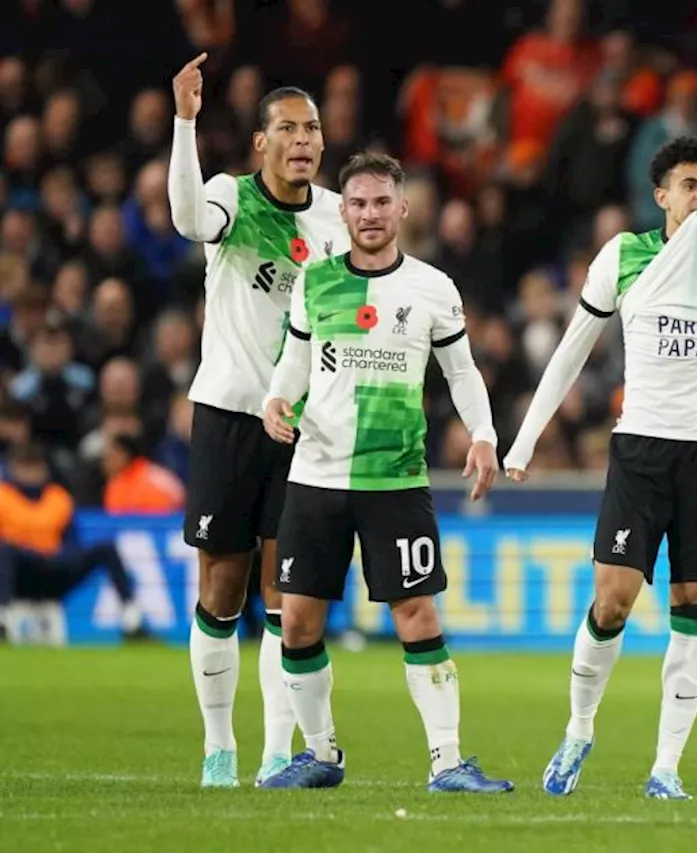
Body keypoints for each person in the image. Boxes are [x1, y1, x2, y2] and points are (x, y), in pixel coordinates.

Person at [503, 135, 697, 800]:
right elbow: (571, 354)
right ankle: (580, 729)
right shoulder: (624, 256)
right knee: (612, 600)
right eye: (690, 184)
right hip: (638, 451)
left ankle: (666, 767)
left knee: (694, 606)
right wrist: (523, 442)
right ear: (660, 194)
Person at [258, 151, 513, 794]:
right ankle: (320, 754)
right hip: (315, 476)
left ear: (403, 208)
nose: (369, 213)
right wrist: (274, 400)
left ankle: (448, 762)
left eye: (381, 202)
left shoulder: (432, 287)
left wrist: (483, 435)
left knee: (417, 617)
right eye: (358, 203)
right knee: (297, 622)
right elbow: (293, 364)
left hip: (395, 480)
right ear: (341, 211)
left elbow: (461, 372)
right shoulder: (314, 282)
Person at [167, 53, 351, 788]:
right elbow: (185, 218)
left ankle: (279, 749)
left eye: (312, 128)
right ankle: (220, 746)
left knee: (287, 592)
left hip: (304, 428)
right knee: (220, 588)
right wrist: (185, 119)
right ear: (261, 143)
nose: (303, 140)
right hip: (228, 414)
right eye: (288, 128)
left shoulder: (340, 217)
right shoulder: (231, 200)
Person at [0, 443, 144, 642]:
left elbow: (72, 544)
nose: (31, 474)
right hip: (18, 572)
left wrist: (58, 558)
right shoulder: (3, 497)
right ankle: (3, 618)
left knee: (105, 549)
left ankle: (132, 619)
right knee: (5, 552)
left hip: (53, 570)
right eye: (25, 468)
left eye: (35, 467)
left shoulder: (58, 498)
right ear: (14, 468)